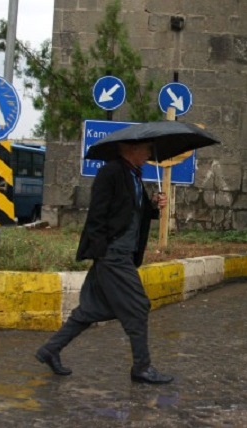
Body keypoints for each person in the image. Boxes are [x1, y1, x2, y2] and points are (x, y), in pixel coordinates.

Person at [35, 141, 174, 384]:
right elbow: (97, 215)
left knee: (91, 310)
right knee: (139, 305)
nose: (149, 154)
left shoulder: (133, 176)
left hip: (122, 253)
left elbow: (129, 213)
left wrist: (152, 206)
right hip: (113, 254)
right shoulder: (110, 173)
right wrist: (103, 253)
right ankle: (142, 367)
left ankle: (50, 350)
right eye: (146, 149)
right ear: (131, 149)